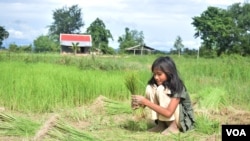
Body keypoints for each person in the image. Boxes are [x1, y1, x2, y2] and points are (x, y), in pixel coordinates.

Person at [131, 56, 195, 135]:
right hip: (168, 117)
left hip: (182, 121)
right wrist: (138, 103)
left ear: (169, 73)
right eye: (154, 74)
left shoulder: (178, 86)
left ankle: (173, 127)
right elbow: (145, 104)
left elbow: (168, 113)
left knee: (161, 89)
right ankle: (161, 125)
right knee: (150, 87)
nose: (156, 77)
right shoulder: (155, 84)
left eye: (159, 74)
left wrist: (146, 102)